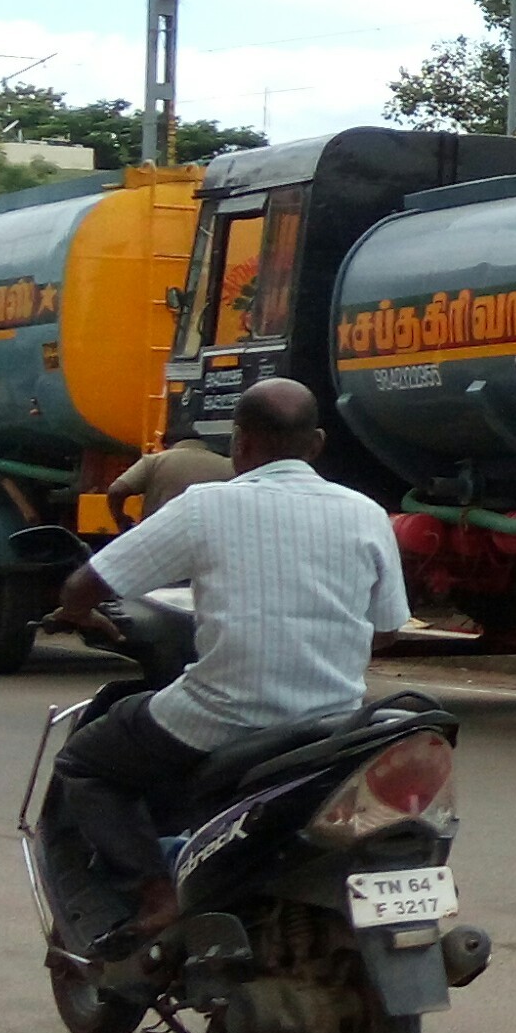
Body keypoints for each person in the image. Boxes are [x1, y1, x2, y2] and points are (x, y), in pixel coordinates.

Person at [48, 379, 407, 943]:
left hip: (220, 719)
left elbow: (85, 586)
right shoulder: (367, 515)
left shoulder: (206, 508)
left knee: (85, 765)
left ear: (239, 444)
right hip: (333, 725)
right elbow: (385, 632)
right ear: (315, 444)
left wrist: (79, 614)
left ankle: (156, 893)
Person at [106, 436, 233, 524]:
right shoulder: (228, 466)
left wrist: (121, 519)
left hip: (159, 542)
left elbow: (116, 490)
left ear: (166, 444)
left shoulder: (154, 462)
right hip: (208, 544)